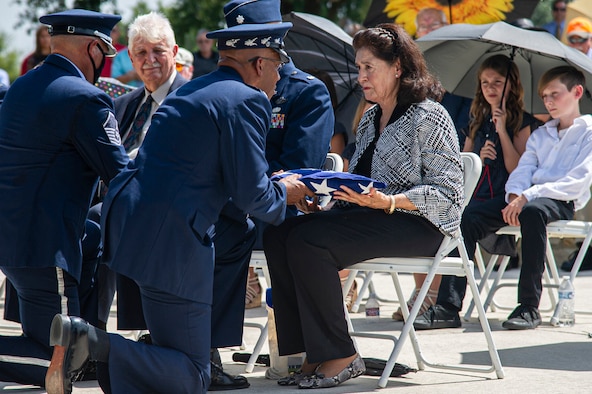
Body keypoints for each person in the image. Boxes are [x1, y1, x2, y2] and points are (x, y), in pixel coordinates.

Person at [44, 8, 312, 394]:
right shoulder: (247, 100)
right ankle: (91, 342)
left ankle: (98, 349)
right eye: (277, 65)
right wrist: (288, 192)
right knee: (192, 375)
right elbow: (255, 196)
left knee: (174, 353)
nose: (279, 76)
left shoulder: (193, 88)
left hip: (135, 229)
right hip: (172, 243)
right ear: (257, 64)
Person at [263, 23, 463, 389]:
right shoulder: (371, 117)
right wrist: (326, 198)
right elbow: (359, 181)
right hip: (372, 217)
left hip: (420, 225)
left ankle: (341, 354)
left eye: (369, 67)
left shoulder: (429, 116)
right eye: (359, 67)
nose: (361, 77)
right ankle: (311, 351)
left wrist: (389, 201)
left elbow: (449, 194)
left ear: (398, 67)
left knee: (310, 243)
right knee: (282, 233)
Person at [0, 9, 128, 389]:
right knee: (63, 362)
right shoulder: (86, 99)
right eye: (105, 54)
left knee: (95, 235)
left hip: (19, 239)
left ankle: (84, 335)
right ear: (93, 48)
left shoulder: (23, 84)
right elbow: (121, 175)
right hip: (45, 245)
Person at [414, 54, 540, 330]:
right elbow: (462, 165)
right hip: (477, 194)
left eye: (497, 82)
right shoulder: (476, 119)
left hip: (507, 197)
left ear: (512, 85)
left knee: (467, 218)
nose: (491, 88)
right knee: (450, 216)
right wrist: (479, 157)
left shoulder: (524, 123)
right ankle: (439, 303)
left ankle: (448, 305)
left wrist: (504, 132)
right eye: (485, 82)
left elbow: (519, 170)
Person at [390, 6, 472, 322]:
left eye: (433, 24)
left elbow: (464, 127)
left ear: (447, 26)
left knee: (429, 204)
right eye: (421, 26)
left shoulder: (460, 68)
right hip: (415, 157)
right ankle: (421, 290)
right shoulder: (408, 72)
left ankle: (432, 295)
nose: (426, 29)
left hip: (448, 159)